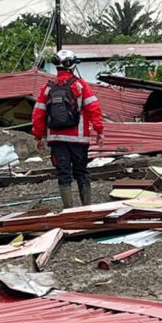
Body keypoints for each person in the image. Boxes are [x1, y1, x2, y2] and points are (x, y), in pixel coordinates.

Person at [32, 49, 105, 209]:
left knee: (64, 174)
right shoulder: (80, 85)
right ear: (72, 65)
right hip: (79, 139)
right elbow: (93, 108)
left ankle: (68, 211)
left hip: (57, 140)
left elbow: (38, 114)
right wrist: (99, 130)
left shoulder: (47, 88)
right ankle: (86, 209)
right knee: (81, 173)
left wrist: (38, 136)